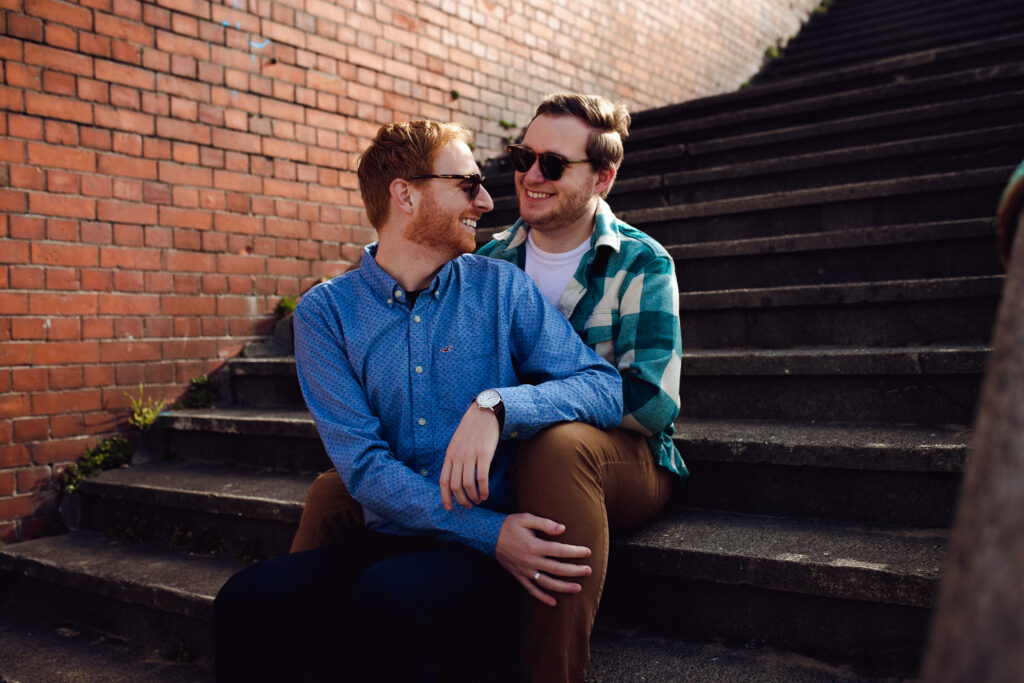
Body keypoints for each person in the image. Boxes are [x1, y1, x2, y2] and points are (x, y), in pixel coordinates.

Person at [289, 94, 688, 682]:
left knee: (557, 449)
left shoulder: (640, 262)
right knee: (336, 489)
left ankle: (550, 669)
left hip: (615, 449)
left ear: (602, 178)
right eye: (524, 156)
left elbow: (651, 403)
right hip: (499, 440)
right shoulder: (484, 255)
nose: (528, 175)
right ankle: (310, 635)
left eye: (552, 165)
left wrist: (510, 406)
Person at [213, 120, 624, 682]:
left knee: (390, 597)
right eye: (467, 184)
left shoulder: (499, 289)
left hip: (484, 556)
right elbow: (361, 466)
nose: (485, 200)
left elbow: (603, 386)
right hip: (412, 535)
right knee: (247, 598)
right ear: (404, 194)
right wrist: (490, 532)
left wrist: (499, 405)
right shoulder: (326, 314)